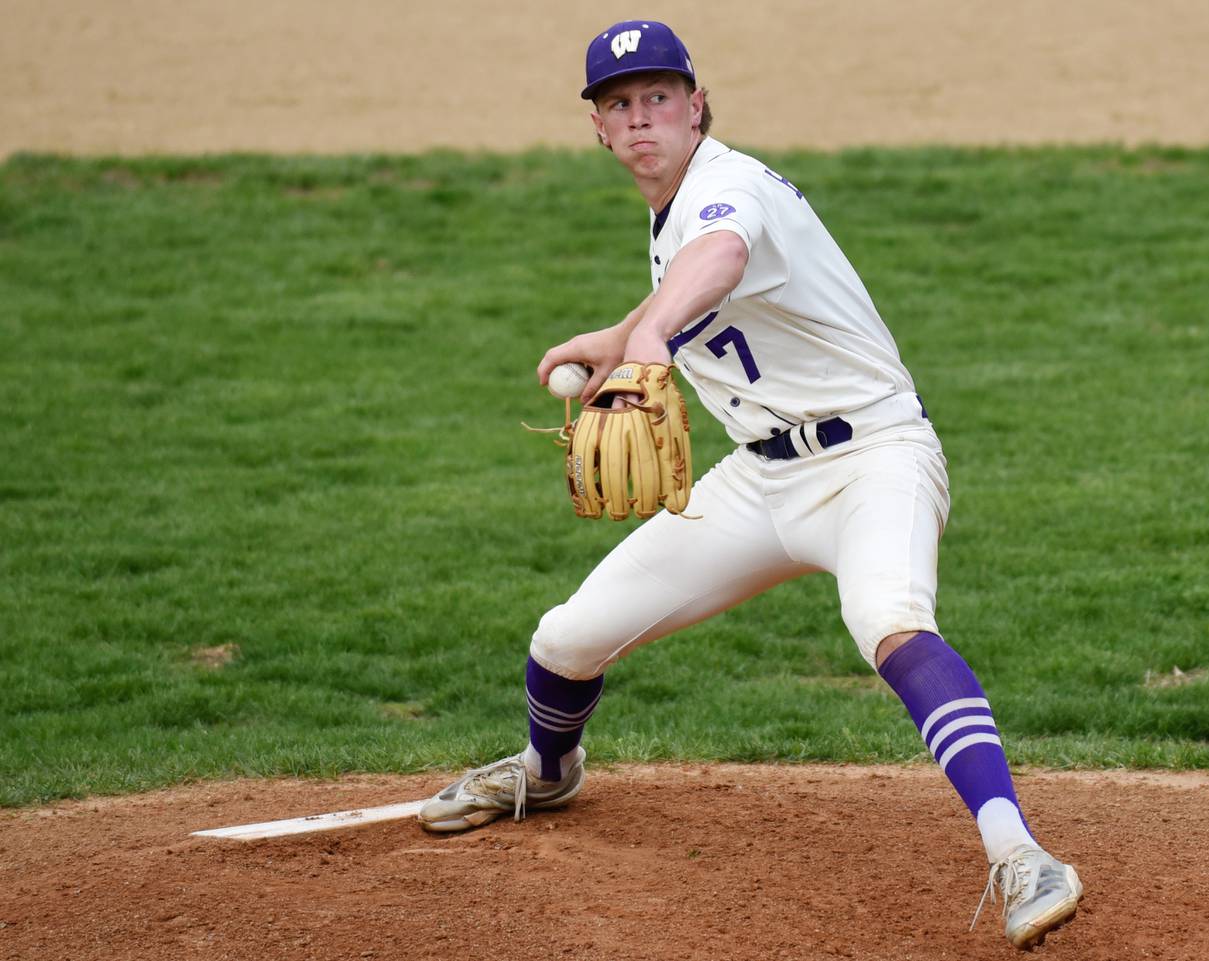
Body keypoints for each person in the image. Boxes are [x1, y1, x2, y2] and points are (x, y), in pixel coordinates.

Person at [419, 19, 1083, 950]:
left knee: (889, 623)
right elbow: (692, 285)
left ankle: (1020, 853)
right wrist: (621, 339)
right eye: (620, 106)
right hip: (760, 481)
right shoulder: (673, 205)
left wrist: (648, 341)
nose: (641, 119)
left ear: (696, 107)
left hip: (873, 460)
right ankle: (547, 766)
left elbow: (718, 260)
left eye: (658, 99)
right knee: (567, 637)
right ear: (601, 133)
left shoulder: (729, 188)